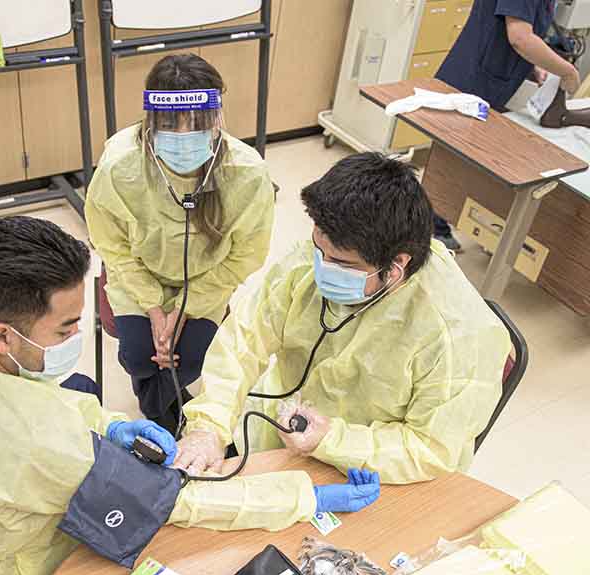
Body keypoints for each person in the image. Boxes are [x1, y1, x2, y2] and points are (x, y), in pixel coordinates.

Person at [0, 216, 379, 575]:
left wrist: (110, 425)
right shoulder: (40, 447)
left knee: (84, 394)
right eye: (64, 329)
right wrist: (307, 496)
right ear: (3, 337)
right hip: (37, 559)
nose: (76, 338)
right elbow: (177, 506)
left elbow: (41, 406)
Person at [175, 153, 512, 484]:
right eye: (319, 250)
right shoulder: (324, 254)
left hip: (377, 467)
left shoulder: (459, 335)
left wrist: (332, 440)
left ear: (395, 267)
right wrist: (209, 425)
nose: (322, 267)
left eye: (341, 263)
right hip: (282, 430)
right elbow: (243, 340)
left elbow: (430, 448)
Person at [85, 54, 275, 431]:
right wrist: (155, 309)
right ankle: (169, 415)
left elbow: (245, 255)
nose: (185, 137)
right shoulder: (119, 166)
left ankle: (158, 415)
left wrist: (185, 310)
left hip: (207, 283)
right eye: (172, 125)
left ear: (217, 119)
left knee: (189, 361)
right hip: (138, 281)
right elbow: (112, 248)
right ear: (151, 120)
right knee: (140, 357)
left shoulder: (246, 172)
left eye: (197, 125)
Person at [433, 0, 581, 251]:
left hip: (491, 80)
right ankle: (433, 230)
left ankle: (465, 229)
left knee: (475, 162)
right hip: (472, 81)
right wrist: (566, 71)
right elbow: (520, 38)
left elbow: (517, 31)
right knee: (453, 164)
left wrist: (533, 65)